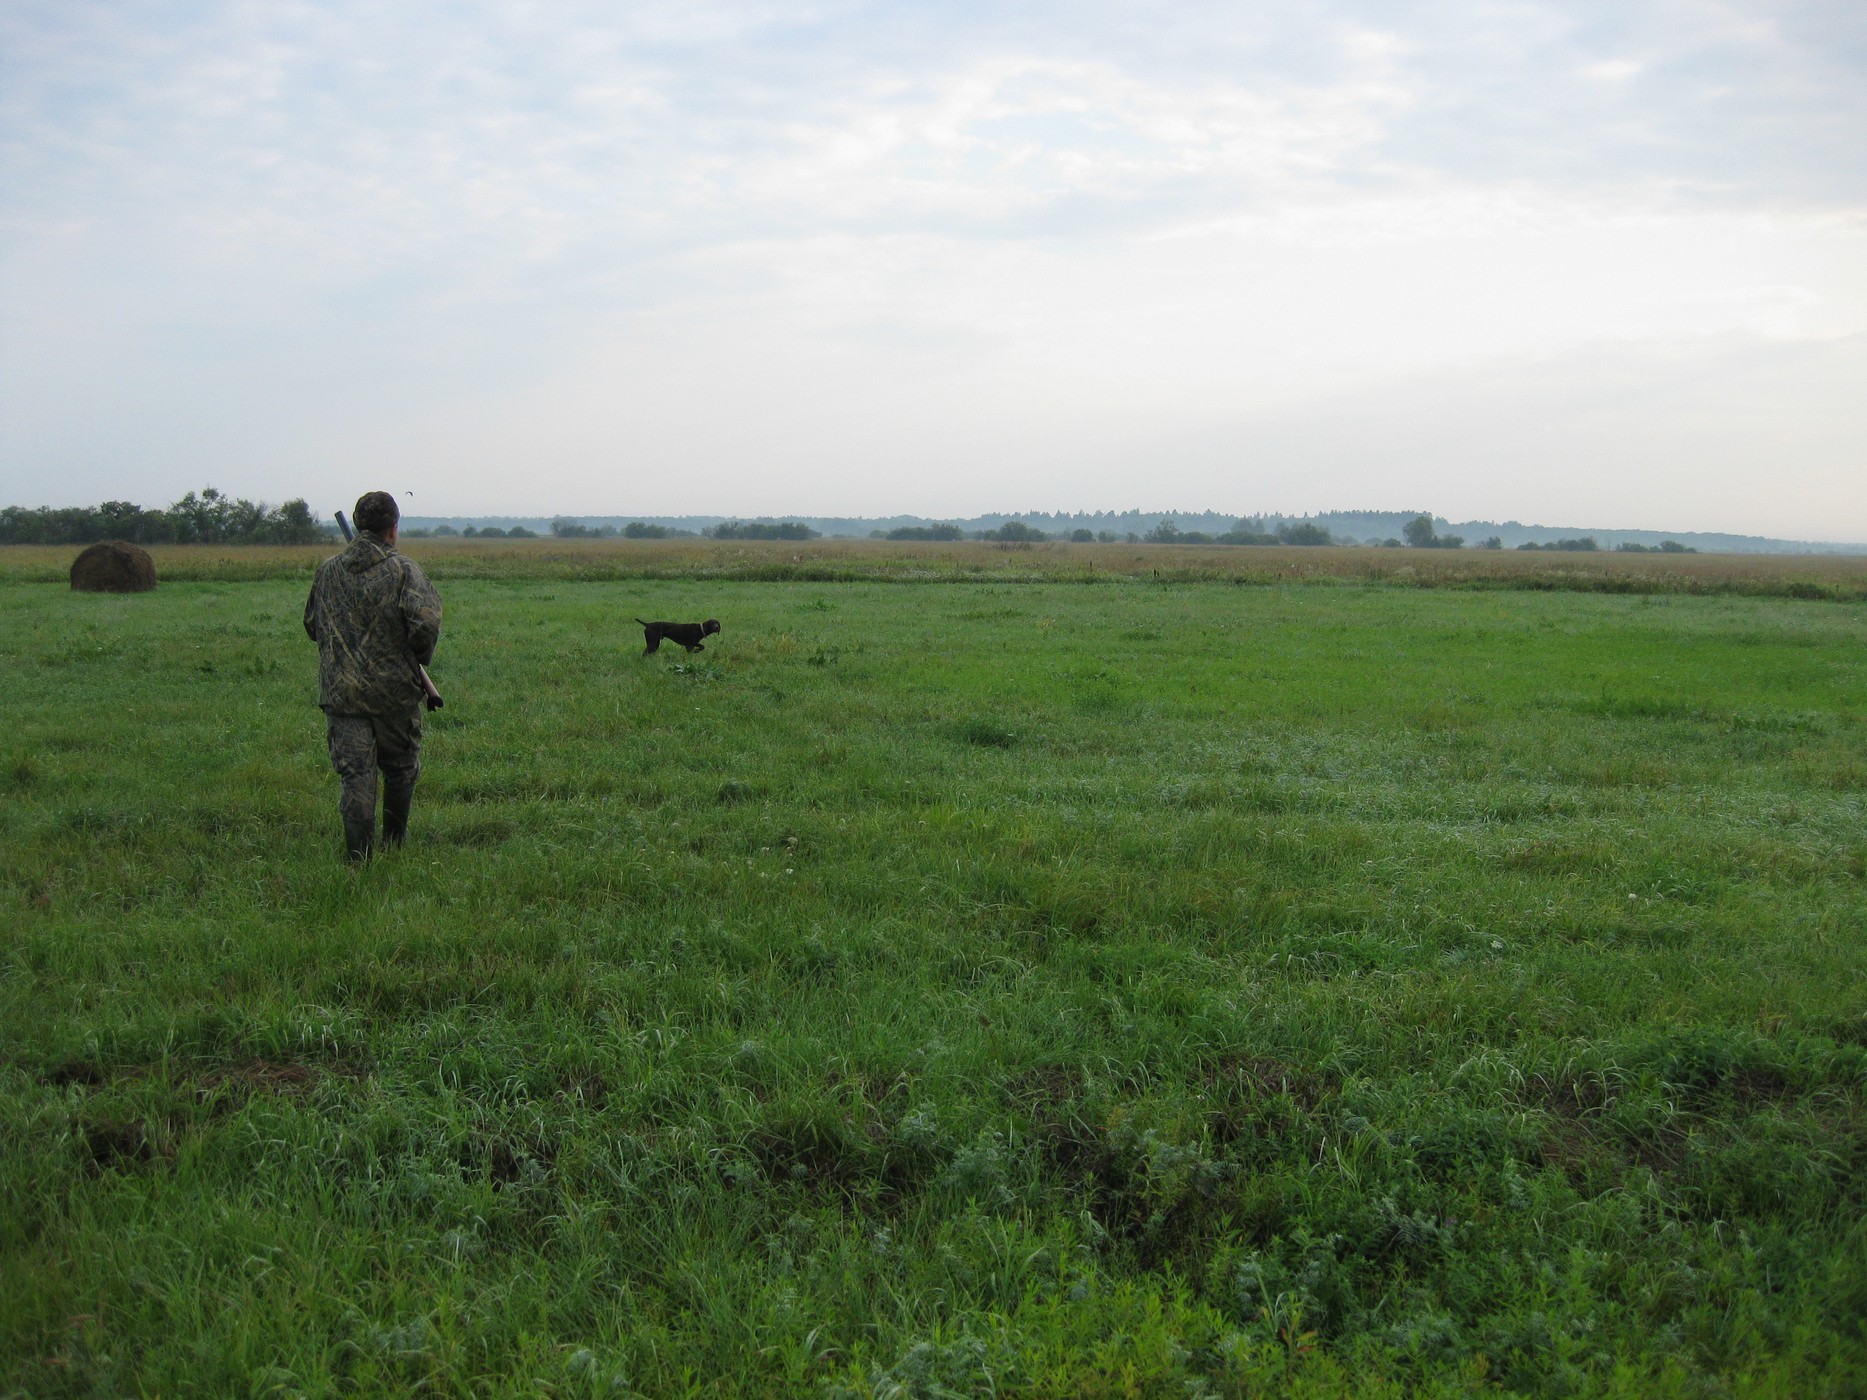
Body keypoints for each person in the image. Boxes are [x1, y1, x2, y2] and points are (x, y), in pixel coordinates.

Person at [304, 491, 443, 861]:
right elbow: (426, 625)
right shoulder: (404, 571)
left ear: (360, 524)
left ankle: (358, 860)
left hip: (342, 695)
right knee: (399, 768)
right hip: (394, 694)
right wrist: (417, 657)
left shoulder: (327, 570)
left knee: (356, 777)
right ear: (393, 529)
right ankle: (394, 846)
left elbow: (312, 625)